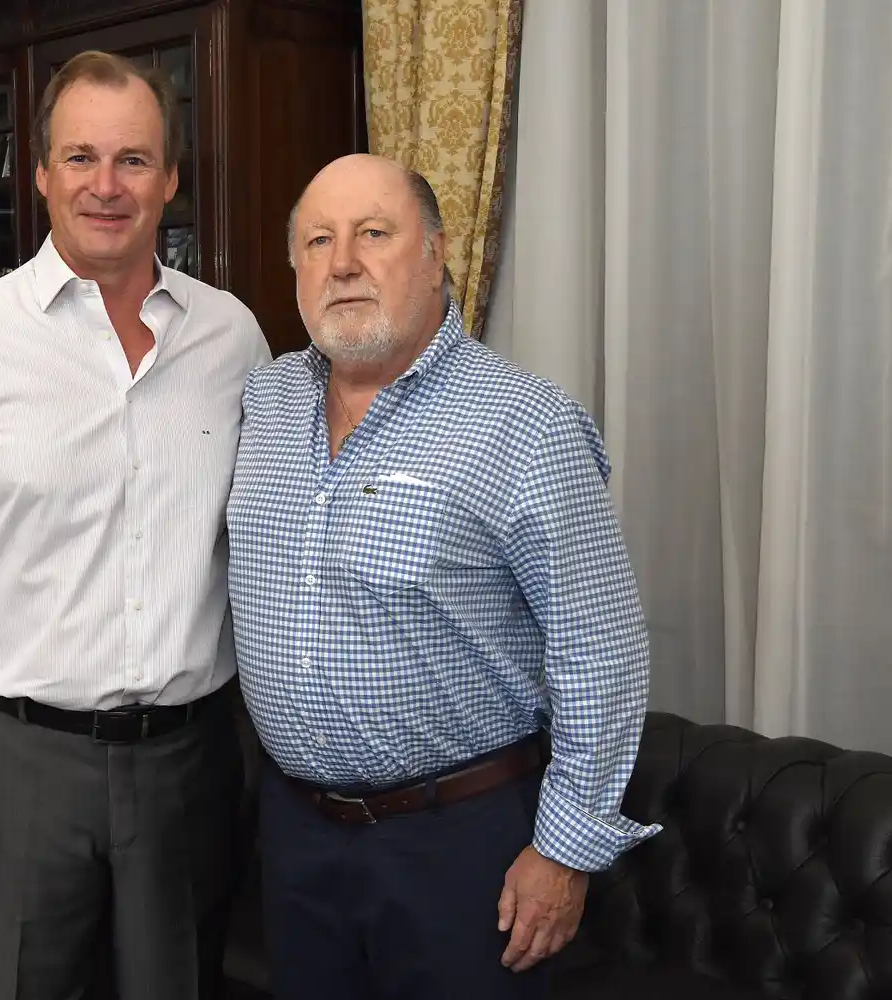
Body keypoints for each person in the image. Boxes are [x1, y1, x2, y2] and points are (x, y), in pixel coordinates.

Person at [0, 50, 271, 1000]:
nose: (106, 185)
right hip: (16, 766)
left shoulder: (235, 339)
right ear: (39, 174)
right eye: (80, 157)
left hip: (191, 762)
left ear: (170, 179)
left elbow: (269, 541)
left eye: (133, 160)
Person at [225, 153, 660, 999]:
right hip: (295, 833)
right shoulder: (266, 402)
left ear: (436, 252)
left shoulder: (526, 425)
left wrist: (564, 850)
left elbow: (601, 649)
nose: (343, 261)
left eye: (373, 234)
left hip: (461, 842)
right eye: (318, 241)